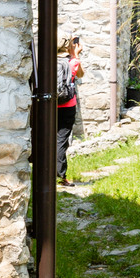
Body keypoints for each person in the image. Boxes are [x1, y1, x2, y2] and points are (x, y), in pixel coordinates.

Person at [56, 36, 83, 187]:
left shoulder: (49, 62)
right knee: (61, 140)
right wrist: (76, 55)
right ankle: (61, 176)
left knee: (50, 139)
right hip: (67, 106)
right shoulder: (72, 62)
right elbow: (80, 74)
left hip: (50, 105)